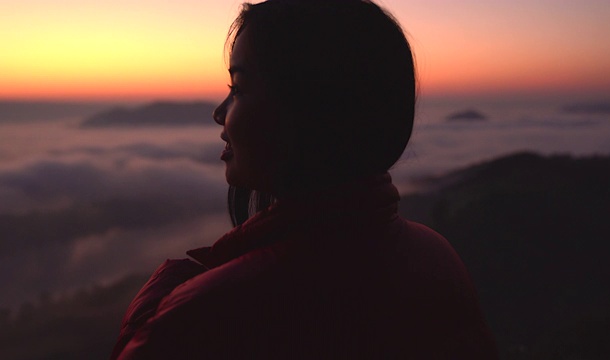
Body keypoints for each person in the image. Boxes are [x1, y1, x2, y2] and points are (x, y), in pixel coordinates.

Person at [111, 0, 498, 358]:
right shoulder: (435, 257)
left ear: (310, 109)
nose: (219, 113)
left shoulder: (212, 315)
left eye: (238, 88)